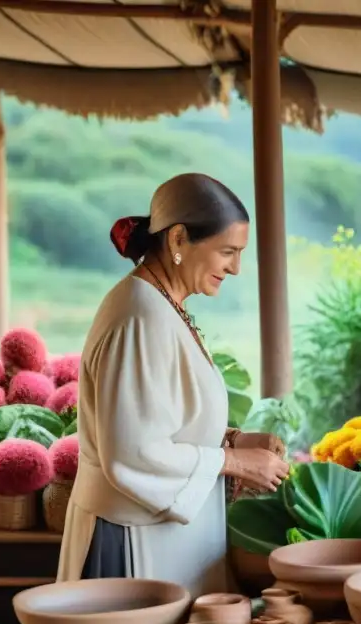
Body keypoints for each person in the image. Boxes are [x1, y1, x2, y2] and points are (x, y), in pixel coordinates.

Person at [56, 173, 290, 597]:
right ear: (179, 239)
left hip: (162, 536)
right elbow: (133, 450)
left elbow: (159, 418)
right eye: (228, 251)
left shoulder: (162, 304)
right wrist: (234, 463)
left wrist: (233, 440)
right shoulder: (138, 318)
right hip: (133, 541)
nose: (236, 268)